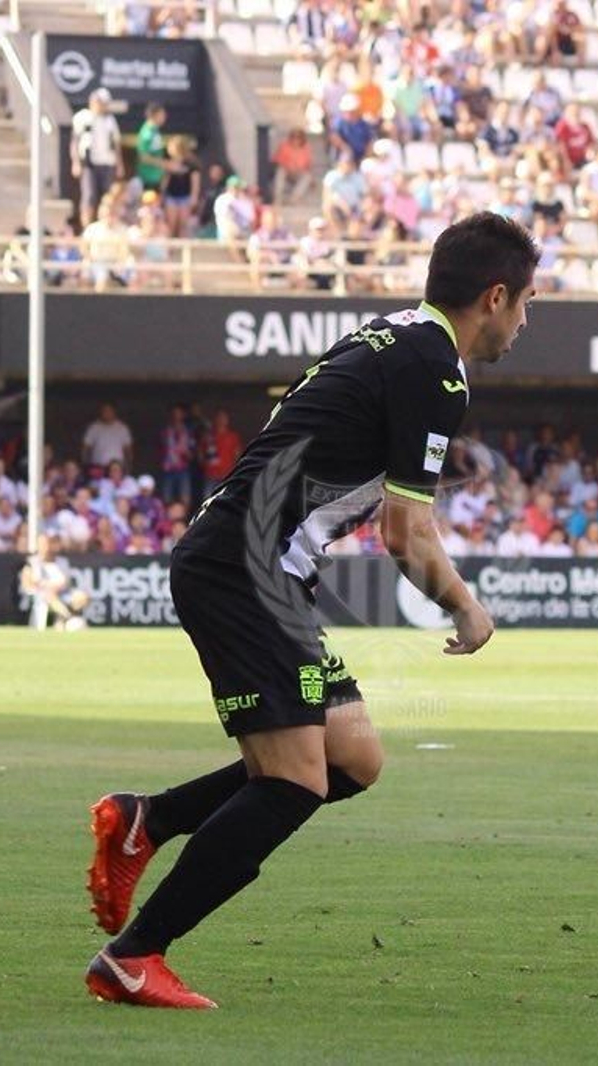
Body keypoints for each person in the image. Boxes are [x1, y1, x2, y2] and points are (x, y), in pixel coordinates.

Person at [81, 212, 540, 1009]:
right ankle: (134, 955)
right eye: (527, 302)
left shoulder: (391, 332)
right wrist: (466, 606)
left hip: (261, 566)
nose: (526, 320)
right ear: (493, 298)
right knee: (294, 779)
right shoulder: (437, 369)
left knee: (351, 759)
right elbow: (406, 530)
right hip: (245, 569)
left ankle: (145, 820)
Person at [72, 88, 124, 230]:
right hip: (89, 164)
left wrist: (120, 164)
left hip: (108, 164)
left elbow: (116, 143)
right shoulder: (82, 117)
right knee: (89, 197)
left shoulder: (110, 120)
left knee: (108, 198)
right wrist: (75, 162)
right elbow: (75, 142)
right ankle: (87, 230)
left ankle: (107, 227)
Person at [19, 534, 91, 631]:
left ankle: (61, 620)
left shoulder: (62, 562)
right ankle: (68, 618)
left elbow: (65, 582)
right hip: (40, 595)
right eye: (43, 544)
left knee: (82, 597)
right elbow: (27, 583)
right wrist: (44, 587)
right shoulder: (31, 562)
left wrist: (55, 587)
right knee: (48, 595)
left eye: (48, 544)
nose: (47, 547)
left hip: (61, 593)